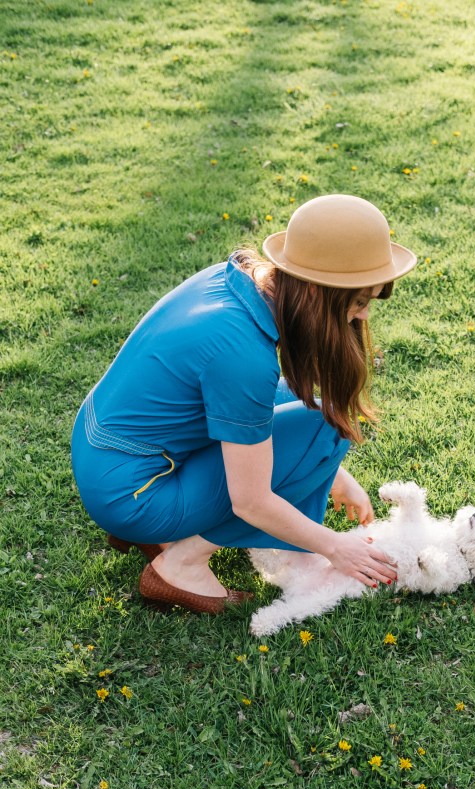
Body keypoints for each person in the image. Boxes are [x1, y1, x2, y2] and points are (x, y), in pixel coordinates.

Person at [71, 194, 417, 614]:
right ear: (317, 293)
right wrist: (336, 547)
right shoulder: (241, 356)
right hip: (134, 492)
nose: (362, 317)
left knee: (294, 399)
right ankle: (182, 562)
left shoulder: (233, 277)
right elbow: (250, 501)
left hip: (104, 454)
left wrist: (335, 477)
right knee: (324, 427)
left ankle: (166, 532)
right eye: (359, 302)